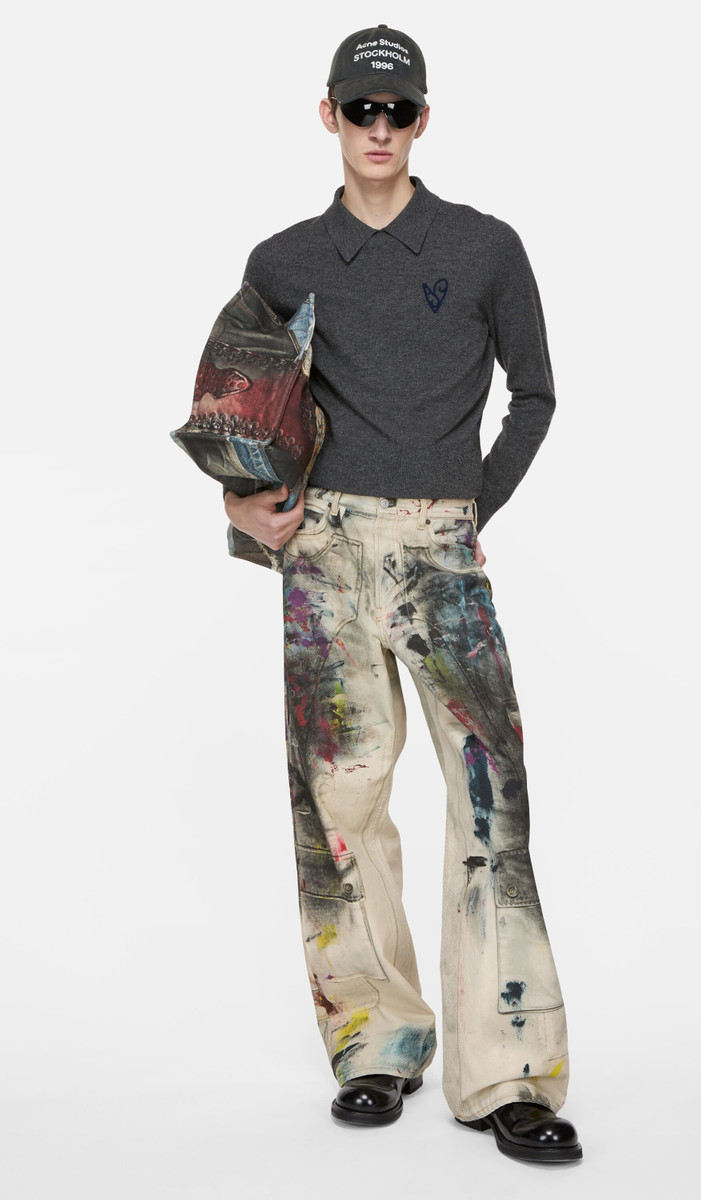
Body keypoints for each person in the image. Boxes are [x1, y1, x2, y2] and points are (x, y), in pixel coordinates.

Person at [222, 24, 583, 1165]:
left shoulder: (483, 248)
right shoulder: (283, 260)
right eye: (360, 108)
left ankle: (509, 1074)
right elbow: (238, 411)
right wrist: (240, 507)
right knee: (339, 803)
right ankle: (376, 1043)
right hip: (322, 549)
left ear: (423, 119)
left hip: (440, 544)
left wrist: (468, 505)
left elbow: (535, 394)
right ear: (328, 114)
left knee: (490, 800)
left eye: (399, 110)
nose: (379, 129)